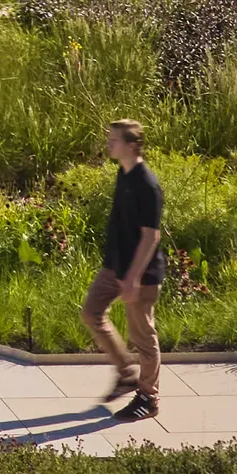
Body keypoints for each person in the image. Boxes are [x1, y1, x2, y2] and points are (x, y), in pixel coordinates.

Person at [83, 117, 165, 423]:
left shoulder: (147, 184)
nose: (109, 144)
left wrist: (132, 278)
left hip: (140, 274)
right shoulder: (124, 173)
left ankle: (149, 398)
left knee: (143, 338)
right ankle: (126, 373)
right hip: (116, 267)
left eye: (114, 139)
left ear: (131, 145)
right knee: (91, 313)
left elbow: (151, 236)